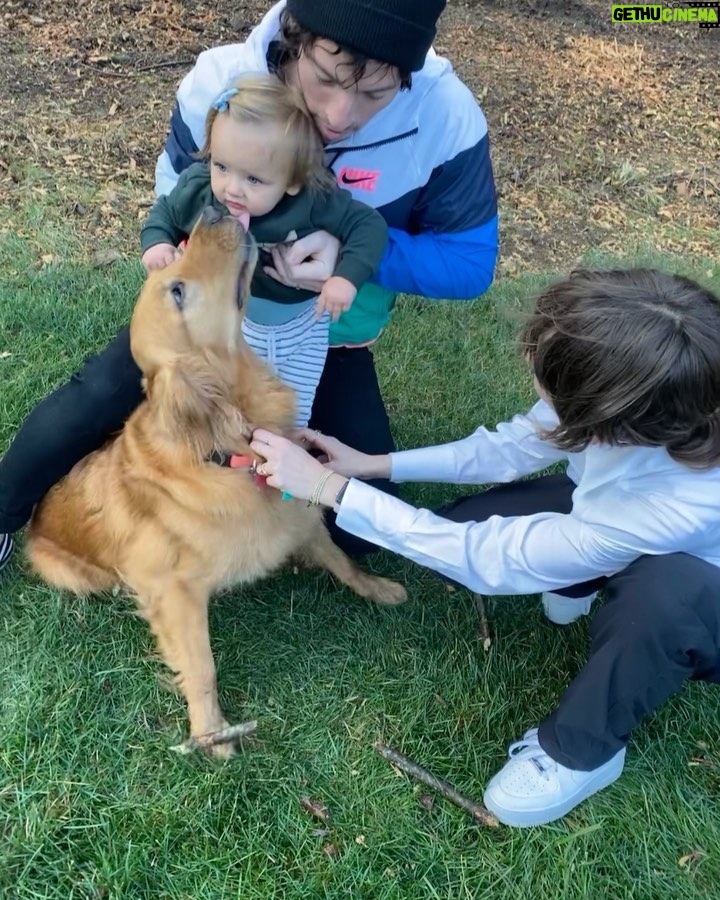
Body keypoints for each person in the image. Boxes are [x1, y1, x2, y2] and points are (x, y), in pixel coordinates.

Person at [0, 0, 497, 567]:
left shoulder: (446, 116)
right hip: (213, 328)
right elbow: (176, 195)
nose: (339, 114)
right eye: (327, 79)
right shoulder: (220, 83)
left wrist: (357, 258)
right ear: (295, 38)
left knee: (362, 528)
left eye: (375, 95)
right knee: (98, 394)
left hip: (323, 334)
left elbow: (470, 263)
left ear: (408, 76)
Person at [248, 268, 720, 827]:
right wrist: (371, 465)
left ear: (607, 423)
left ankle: (582, 751)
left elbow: (485, 558)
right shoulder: (649, 388)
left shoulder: (685, 497)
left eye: (547, 381)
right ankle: (581, 577)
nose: (532, 376)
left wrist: (328, 487)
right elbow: (518, 444)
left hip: (701, 580)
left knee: (665, 600)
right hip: (620, 520)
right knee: (467, 519)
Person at [141, 73, 388, 427]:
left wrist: (345, 279)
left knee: (292, 411)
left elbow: (368, 225)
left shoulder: (313, 202)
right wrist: (157, 244)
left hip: (302, 327)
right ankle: (228, 454)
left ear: (292, 181)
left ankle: (283, 466)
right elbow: (164, 213)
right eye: (221, 166)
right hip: (234, 324)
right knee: (229, 403)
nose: (232, 189)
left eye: (253, 179)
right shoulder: (200, 190)